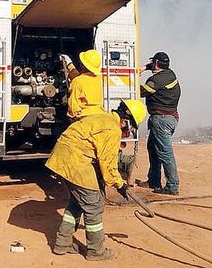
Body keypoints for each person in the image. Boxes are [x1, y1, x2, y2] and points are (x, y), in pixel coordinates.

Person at [46, 99, 146, 261]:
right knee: (94, 205)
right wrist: (121, 185)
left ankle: (62, 243)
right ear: (126, 122)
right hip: (74, 161)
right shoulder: (113, 130)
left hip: (61, 158)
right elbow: (108, 165)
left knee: (77, 203)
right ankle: (96, 251)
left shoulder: (100, 116)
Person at [138, 51, 181, 196]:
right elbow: (155, 66)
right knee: (153, 148)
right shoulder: (169, 73)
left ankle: (172, 186)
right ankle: (153, 180)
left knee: (165, 153)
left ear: (156, 63)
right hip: (169, 118)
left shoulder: (156, 80)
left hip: (161, 120)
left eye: (153, 63)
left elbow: (141, 92)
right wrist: (144, 67)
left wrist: (129, 79)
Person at [59, 50, 106, 121]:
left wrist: (73, 118)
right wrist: (69, 63)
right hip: (100, 115)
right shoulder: (100, 79)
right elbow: (80, 76)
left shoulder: (78, 81)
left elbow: (73, 105)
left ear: (83, 65)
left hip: (84, 117)